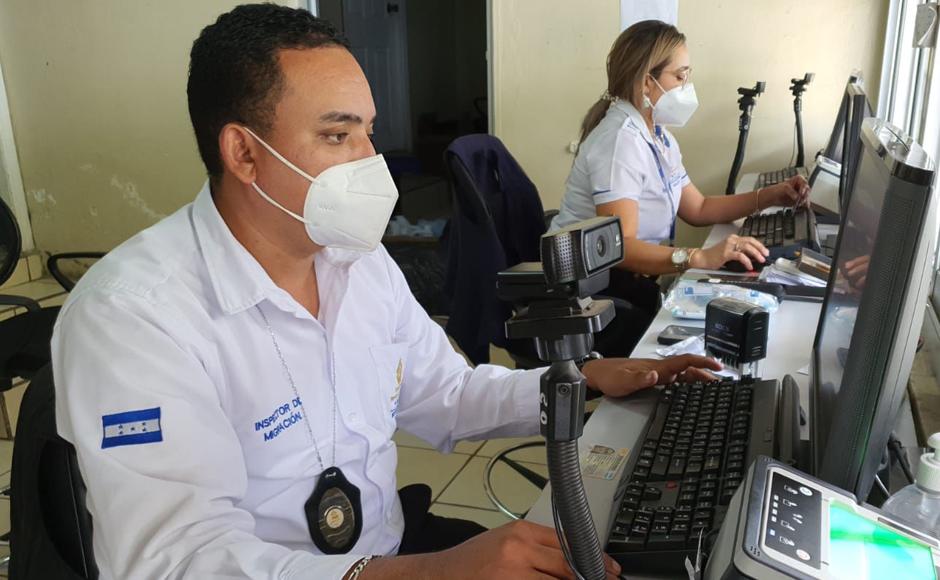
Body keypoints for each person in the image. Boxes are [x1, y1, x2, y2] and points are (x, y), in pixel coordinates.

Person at [52, 5, 721, 579]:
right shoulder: (134, 316)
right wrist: (432, 574)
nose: (370, 161)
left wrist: (580, 383)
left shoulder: (357, 262)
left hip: (385, 551)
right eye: (337, 135)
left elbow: (446, 395)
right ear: (245, 153)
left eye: (368, 132)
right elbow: (176, 561)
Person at [550, 20, 811, 321]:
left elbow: (698, 208)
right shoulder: (620, 142)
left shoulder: (657, 136)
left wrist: (771, 196)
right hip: (588, 292)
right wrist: (699, 257)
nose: (686, 87)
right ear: (647, 82)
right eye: (679, 76)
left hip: (623, 281)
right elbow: (619, 248)